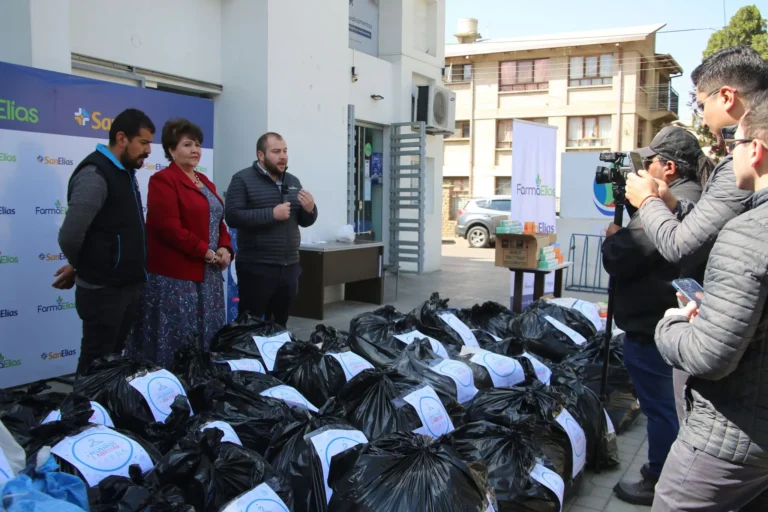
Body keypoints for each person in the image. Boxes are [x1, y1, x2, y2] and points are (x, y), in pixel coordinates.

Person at [651, 92, 768, 511]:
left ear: (754, 151)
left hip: (732, 437)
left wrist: (673, 324)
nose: (723, 156)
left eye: (732, 145)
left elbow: (710, 356)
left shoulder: (748, 233)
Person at [602, 126, 710, 506]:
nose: (643, 167)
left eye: (649, 161)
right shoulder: (696, 199)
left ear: (667, 168)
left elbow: (623, 256)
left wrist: (615, 237)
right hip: (668, 325)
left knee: (662, 410)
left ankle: (658, 478)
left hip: (653, 332)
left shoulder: (672, 205)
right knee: (670, 407)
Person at [125, 118, 232, 369]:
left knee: (207, 343)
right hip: (176, 280)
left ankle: (202, 385)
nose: (195, 150)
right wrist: (206, 252)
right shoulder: (163, 180)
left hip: (210, 278)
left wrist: (226, 248)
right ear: (171, 150)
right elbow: (168, 228)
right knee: (178, 343)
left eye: (197, 144)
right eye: (187, 144)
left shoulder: (206, 182)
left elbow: (219, 222)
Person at [57, 108, 155, 374]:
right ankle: (82, 413)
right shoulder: (95, 174)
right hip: (103, 290)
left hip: (125, 285)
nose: (148, 151)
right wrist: (84, 267)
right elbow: (70, 235)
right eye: (143, 142)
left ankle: (104, 411)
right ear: (122, 138)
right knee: (96, 359)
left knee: (112, 360)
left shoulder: (124, 172)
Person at [224, 132, 317, 327]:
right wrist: (271, 214)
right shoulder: (242, 179)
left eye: (285, 151)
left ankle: (275, 357)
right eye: (276, 151)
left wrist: (310, 210)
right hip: (256, 267)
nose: (282, 156)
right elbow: (232, 216)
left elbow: (304, 221)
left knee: (279, 324)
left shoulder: (293, 181)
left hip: (289, 267)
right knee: (250, 325)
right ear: (261, 155)